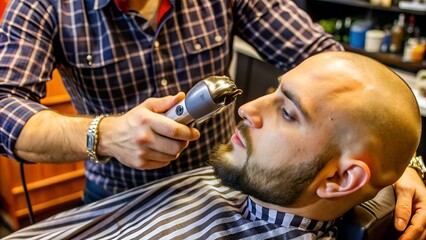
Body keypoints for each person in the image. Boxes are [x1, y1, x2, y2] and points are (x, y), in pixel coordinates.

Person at [0, 0, 424, 238]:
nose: (245, 107)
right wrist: (104, 134)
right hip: (122, 195)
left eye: (286, 108)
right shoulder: (43, 6)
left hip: (234, 181)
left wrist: (395, 156)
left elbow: (334, 70)